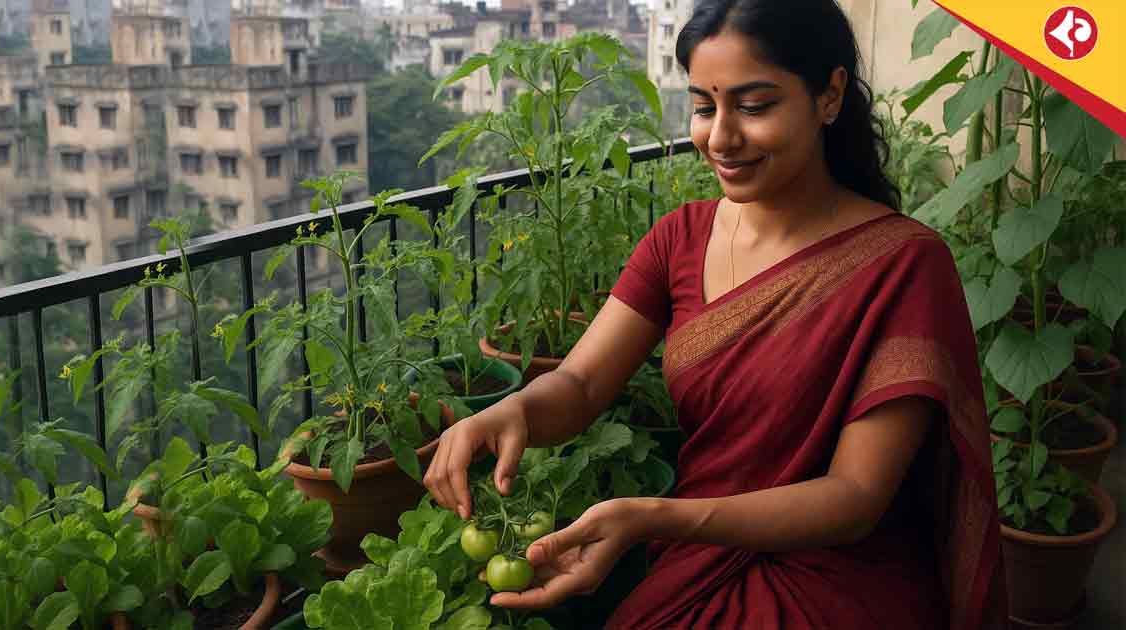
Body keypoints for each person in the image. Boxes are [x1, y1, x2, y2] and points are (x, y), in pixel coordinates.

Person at [424, 0, 1007, 628]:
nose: (721, 137)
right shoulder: (680, 238)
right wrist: (515, 410)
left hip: (842, 581)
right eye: (704, 107)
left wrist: (651, 517)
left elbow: (856, 498)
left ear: (829, 96)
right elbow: (582, 382)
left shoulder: (902, 263)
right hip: (699, 559)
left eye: (754, 107)